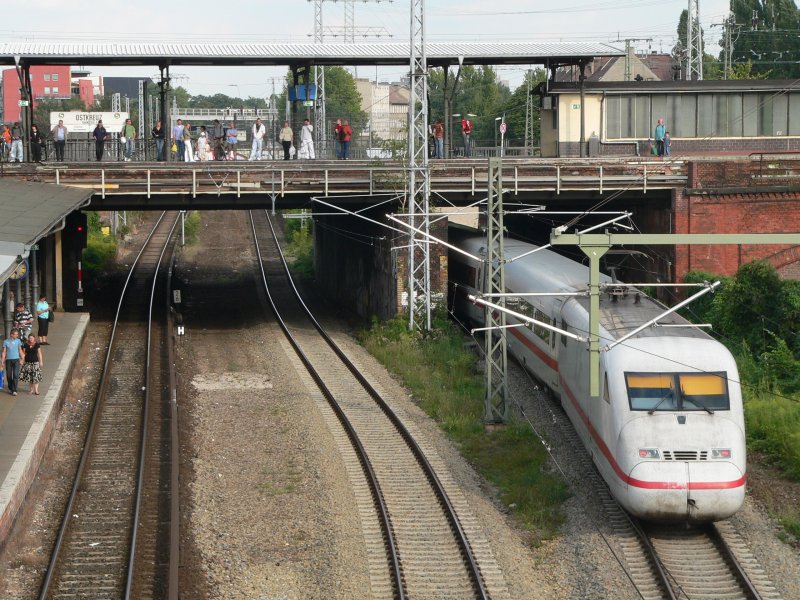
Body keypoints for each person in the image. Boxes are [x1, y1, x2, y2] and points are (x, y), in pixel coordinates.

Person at [2, 328, 23, 396]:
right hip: (8, 360)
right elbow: (4, 352)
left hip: (16, 359)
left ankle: (14, 389)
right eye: (15, 334)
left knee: (16, 375)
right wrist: (2, 361)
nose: (17, 335)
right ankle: (10, 387)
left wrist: (22, 358)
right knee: (8, 375)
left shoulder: (18, 341)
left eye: (17, 334)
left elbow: (20, 350)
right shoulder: (5, 341)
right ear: (11, 334)